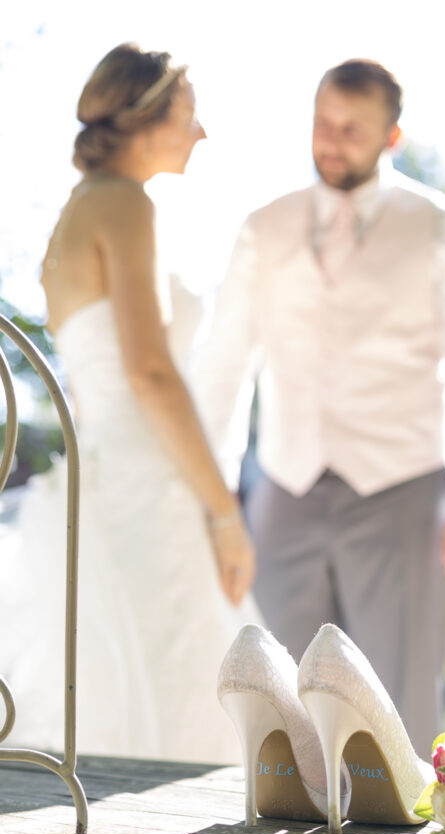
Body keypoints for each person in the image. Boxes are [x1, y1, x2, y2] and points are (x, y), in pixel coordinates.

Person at [192, 59, 445, 757]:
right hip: (283, 489)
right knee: (276, 699)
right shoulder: (262, 224)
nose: (329, 142)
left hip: (401, 486)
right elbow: (223, 369)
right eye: (320, 123)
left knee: (396, 703)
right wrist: (216, 496)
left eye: (350, 129)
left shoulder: (443, 227)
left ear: (390, 135)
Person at [0, 44, 258, 763]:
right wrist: (223, 510)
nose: (201, 132)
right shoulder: (123, 202)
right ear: (147, 118)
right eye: (189, 114)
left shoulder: (76, 214)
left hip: (108, 473)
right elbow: (149, 372)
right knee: (190, 682)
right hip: (152, 486)